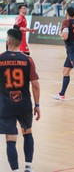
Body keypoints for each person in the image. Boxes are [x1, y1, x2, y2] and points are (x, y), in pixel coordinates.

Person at [0, 26, 40, 172]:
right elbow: (35, 85)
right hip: (23, 104)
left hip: (6, 105)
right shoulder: (27, 60)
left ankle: (15, 170)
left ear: (9, 41)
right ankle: (28, 167)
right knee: (27, 132)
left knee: (10, 139)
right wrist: (37, 104)